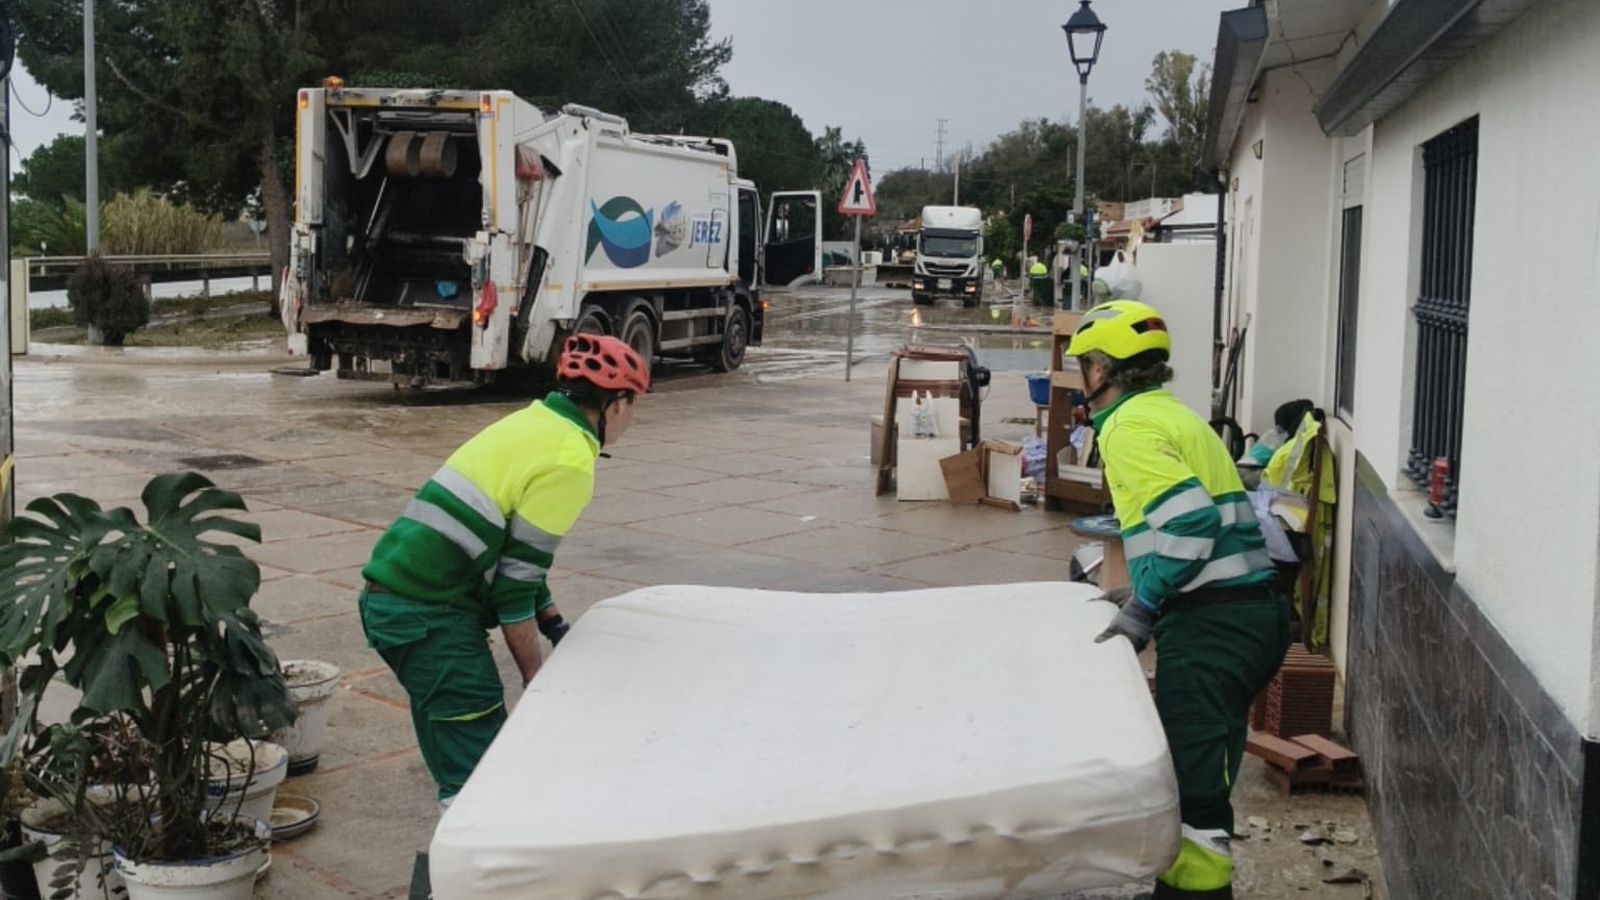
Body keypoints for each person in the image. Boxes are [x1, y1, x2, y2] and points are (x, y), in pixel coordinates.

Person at [358, 334, 650, 810]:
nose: (631, 418)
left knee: (451, 740)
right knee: (478, 776)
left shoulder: (532, 422)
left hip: (392, 603)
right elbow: (514, 588)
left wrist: (553, 622)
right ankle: (471, 849)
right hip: (428, 618)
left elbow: (515, 555)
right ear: (616, 404)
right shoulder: (570, 460)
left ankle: (456, 836)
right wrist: (536, 679)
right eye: (634, 405)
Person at [1065, 300, 1289, 900]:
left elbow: (1191, 523)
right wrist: (1145, 586)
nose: (1081, 377)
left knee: (1194, 790)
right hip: (1247, 616)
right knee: (1202, 763)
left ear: (1102, 369)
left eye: (1084, 364)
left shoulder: (1128, 428)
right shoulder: (1173, 414)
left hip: (1215, 628)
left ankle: (1196, 890)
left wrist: (1147, 603)